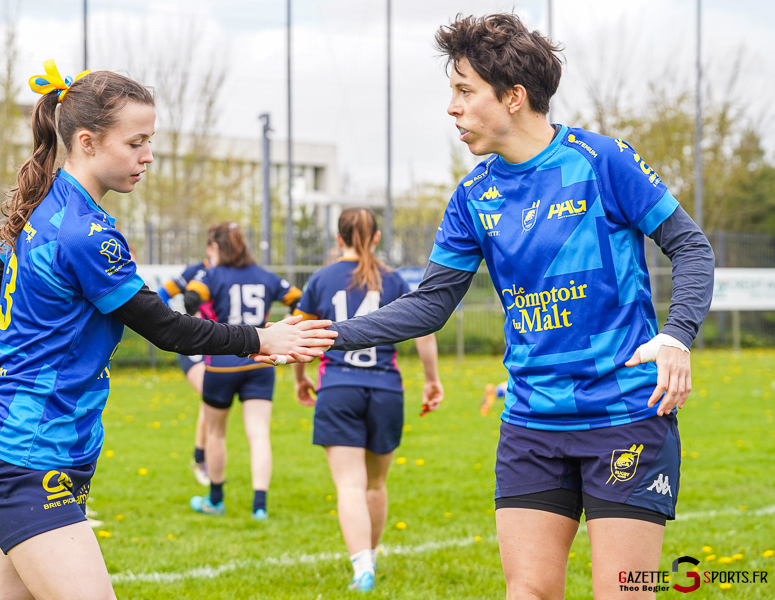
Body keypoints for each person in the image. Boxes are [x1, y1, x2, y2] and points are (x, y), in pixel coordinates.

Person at [305, 15, 715, 600]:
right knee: (528, 592)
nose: (452, 107)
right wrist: (328, 334)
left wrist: (677, 336)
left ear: (514, 97)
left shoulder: (602, 162)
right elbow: (429, 306)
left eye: (465, 90)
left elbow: (691, 247)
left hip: (625, 415)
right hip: (531, 424)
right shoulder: (474, 195)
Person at [0, 60, 336, 600]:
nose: (148, 156)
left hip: (27, 450)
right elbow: (165, 328)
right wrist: (262, 339)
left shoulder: (45, 208)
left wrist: (45, 344)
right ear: (88, 143)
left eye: (150, 141)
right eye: (136, 142)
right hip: (30, 459)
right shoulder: (86, 232)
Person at [292, 207, 443, 592]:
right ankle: (370, 559)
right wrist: (431, 380)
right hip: (386, 389)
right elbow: (424, 331)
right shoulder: (392, 280)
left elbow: (300, 331)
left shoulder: (322, 278)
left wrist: (300, 377)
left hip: (338, 386)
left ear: (338, 238)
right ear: (377, 238)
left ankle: (362, 569)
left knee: (349, 485)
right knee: (375, 485)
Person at [183, 222, 303, 520]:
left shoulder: (211, 275)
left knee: (215, 433)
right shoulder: (265, 276)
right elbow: (301, 301)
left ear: (217, 247)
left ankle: (215, 499)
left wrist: (205, 327)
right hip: (260, 361)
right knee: (259, 434)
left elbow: (190, 299)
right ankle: (259, 506)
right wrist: (282, 326)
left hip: (222, 362)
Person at [158, 251, 215, 486]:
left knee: (211, 401)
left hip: (218, 345)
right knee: (209, 395)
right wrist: (178, 322)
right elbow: (162, 293)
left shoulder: (228, 274)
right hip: (194, 345)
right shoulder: (194, 272)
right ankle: (201, 459)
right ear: (211, 248)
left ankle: (203, 457)